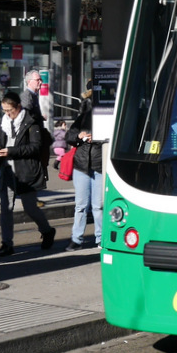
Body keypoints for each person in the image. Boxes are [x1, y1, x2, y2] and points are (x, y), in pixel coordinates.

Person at [0, 91, 55, 258]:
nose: (7, 114)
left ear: (18, 107)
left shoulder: (31, 122)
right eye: (4, 110)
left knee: (30, 207)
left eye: (9, 110)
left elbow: (35, 147)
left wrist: (11, 151)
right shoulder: (4, 121)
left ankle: (47, 231)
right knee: (6, 208)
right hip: (7, 170)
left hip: (26, 171)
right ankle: (7, 244)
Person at [67, 89, 103, 250]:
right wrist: (79, 137)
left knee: (98, 206)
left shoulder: (108, 119)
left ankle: (101, 238)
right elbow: (70, 136)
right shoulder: (83, 117)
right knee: (80, 205)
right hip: (82, 165)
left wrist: (96, 138)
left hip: (99, 165)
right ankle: (76, 239)